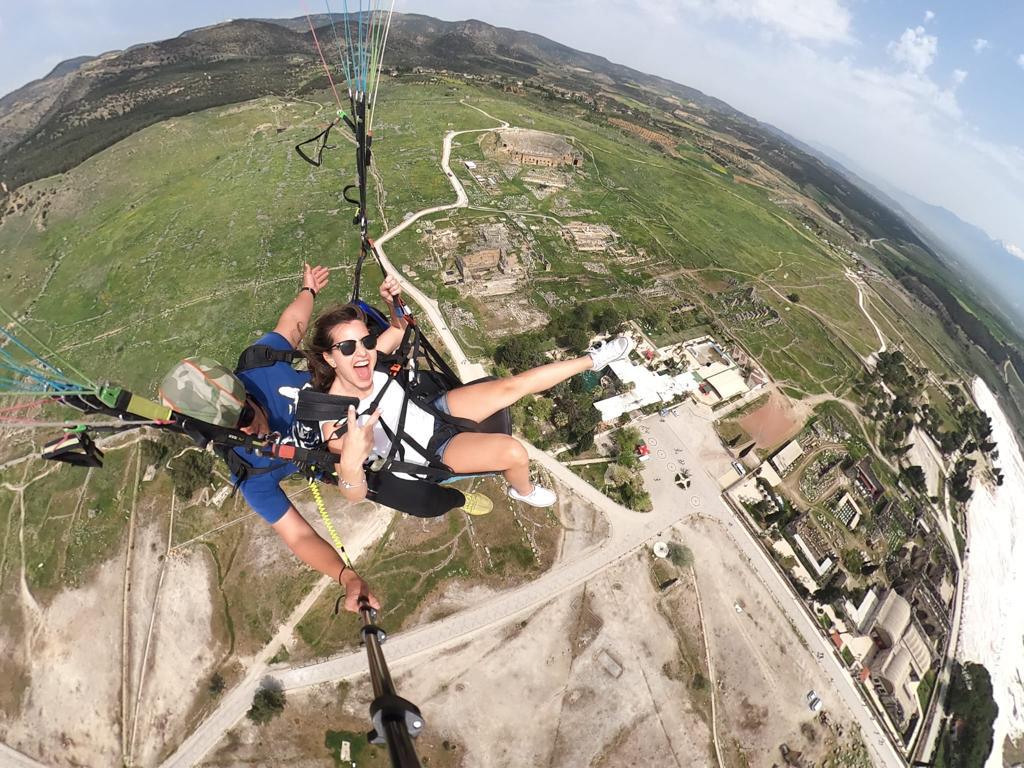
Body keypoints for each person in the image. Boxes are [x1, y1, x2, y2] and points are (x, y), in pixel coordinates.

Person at [159, 263, 382, 612]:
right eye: (232, 435)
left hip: (363, 390)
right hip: (356, 454)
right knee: (418, 496)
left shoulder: (259, 365)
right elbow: (298, 535)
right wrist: (347, 578)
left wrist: (308, 290)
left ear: (244, 393)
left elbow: (291, 328)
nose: (247, 431)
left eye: (245, 416)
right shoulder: (251, 472)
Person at [305, 276, 631, 508]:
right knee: (515, 453)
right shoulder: (336, 420)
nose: (362, 352)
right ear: (329, 357)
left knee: (508, 387)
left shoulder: (371, 361)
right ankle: (524, 490)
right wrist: (350, 464)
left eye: (366, 341)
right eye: (347, 347)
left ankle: (593, 360)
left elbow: (398, 328)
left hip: (432, 411)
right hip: (431, 452)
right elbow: (355, 492)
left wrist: (393, 305)